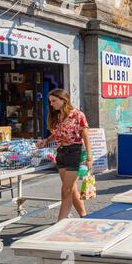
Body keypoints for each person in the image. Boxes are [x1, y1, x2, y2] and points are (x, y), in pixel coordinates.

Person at [38, 89, 92, 221]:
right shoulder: (57, 116)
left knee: (65, 191)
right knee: (71, 189)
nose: (51, 104)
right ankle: (84, 216)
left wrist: (90, 157)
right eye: (50, 101)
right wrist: (47, 140)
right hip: (61, 153)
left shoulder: (78, 115)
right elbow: (57, 133)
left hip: (74, 153)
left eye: (54, 101)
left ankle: (60, 223)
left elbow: (85, 136)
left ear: (64, 100)